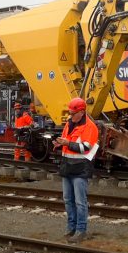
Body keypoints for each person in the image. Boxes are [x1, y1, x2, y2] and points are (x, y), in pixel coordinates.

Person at [54, 97, 99, 243]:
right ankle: (71, 227)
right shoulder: (69, 123)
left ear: (82, 112)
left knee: (80, 202)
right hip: (68, 167)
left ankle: (81, 230)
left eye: (73, 114)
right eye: (70, 113)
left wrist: (67, 143)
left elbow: (85, 148)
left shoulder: (90, 127)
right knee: (68, 200)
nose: (71, 116)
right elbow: (66, 141)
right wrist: (59, 143)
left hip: (80, 169)